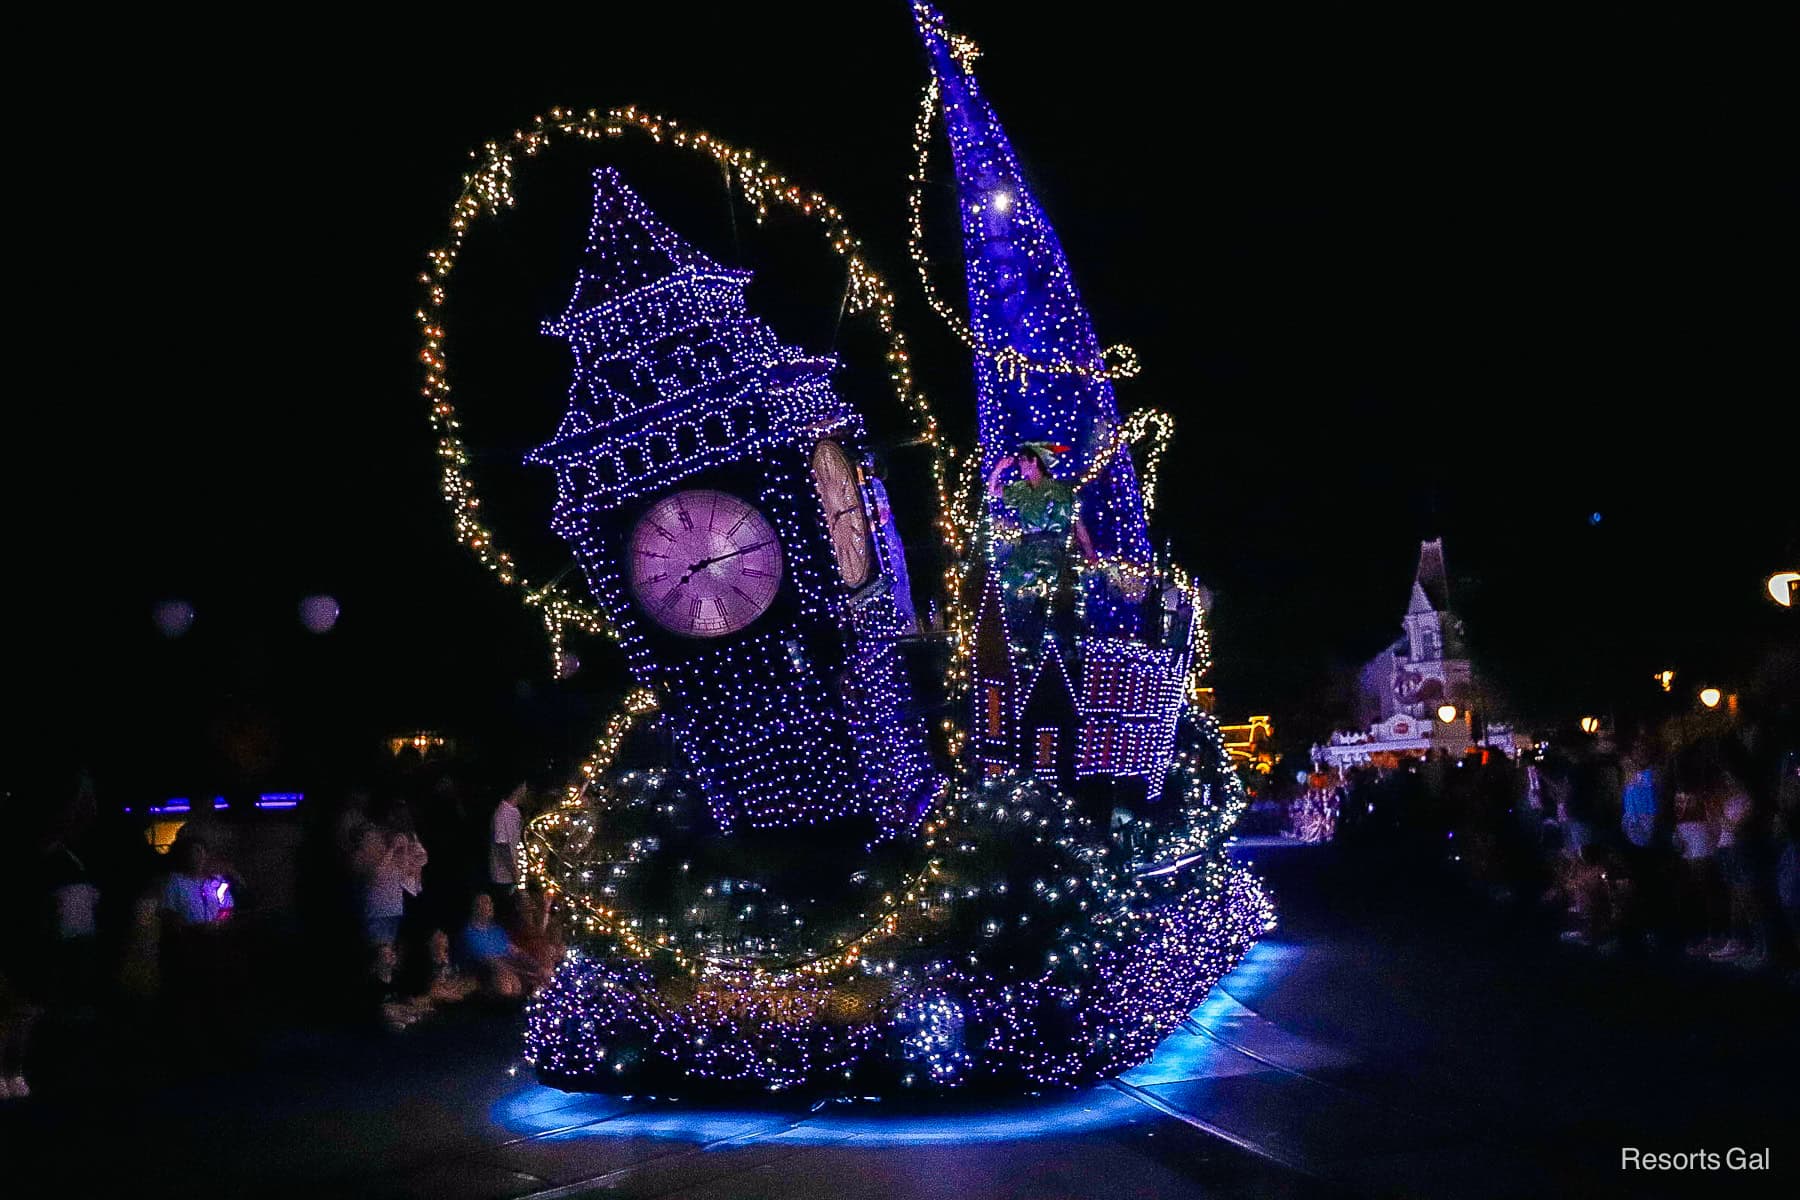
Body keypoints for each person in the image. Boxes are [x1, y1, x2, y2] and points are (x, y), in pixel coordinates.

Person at [986, 442, 1098, 641]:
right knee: (1006, 587)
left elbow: (1076, 523)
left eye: (1022, 461)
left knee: (1050, 598)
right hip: (1026, 550)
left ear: (1034, 462)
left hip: (1051, 552)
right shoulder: (1021, 489)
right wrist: (998, 469)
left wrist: (1089, 552)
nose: (1019, 465)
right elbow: (993, 491)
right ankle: (1021, 638)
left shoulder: (1059, 490)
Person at [458, 893, 548, 1000]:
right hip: (487, 971)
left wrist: (537, 967)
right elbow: (489, 961)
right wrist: (525, 972)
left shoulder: (497, 930)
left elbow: (515, 951)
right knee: (508, 982)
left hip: (510, 965)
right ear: (476, 908)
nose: (491, 906)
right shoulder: (469, 933)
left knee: (543, 972)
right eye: (486, 903)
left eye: (491, 903)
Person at [489, 784, 527, 897]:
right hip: (503, 878)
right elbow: (502, 845)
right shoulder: (502, 813)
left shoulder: (516, 812)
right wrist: (515, 873)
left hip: (514, 875)